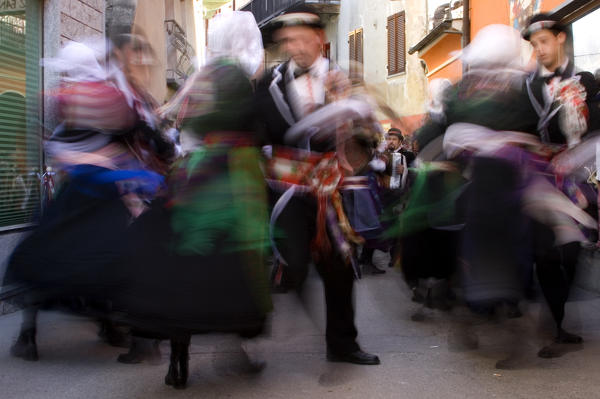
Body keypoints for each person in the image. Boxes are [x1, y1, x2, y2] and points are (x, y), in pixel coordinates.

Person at [254, 6, 380, 365]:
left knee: (339, 266)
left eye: (300, 39)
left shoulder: (345, 80)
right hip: (287, 191)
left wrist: (349, 120)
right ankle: (260, 320)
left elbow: (369, 138)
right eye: (287, 40)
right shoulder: (270, 83)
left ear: (320, 39)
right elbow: (257, 132)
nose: (293, 46)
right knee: (291, 262)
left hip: (331, 192)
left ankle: (342, 344)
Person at [522, 13, 598, 356]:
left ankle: (556, 316)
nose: (539, 50)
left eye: (544, 42)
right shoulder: (528, 87)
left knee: (571, 254)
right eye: (535, 45)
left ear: (561, 39)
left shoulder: (586, 82)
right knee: (549, 253)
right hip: (541, 179)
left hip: (579, 179)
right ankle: (554, 323)